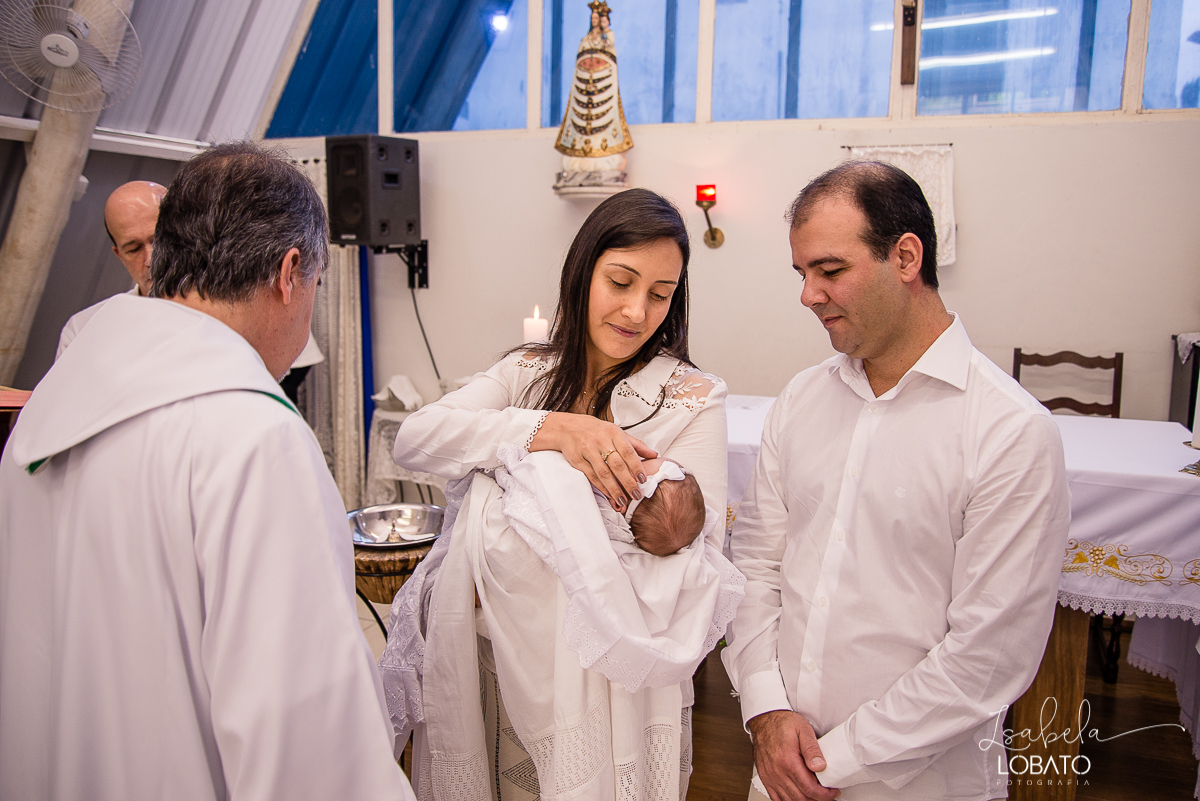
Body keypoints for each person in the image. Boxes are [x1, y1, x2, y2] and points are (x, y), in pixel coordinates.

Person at [0, 142, 415, 801]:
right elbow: (308, 751)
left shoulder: (56, 398)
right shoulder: (251, 437)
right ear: (289, 272)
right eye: (315, 284)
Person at [721, 161, 1072, 801]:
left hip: (917, 780)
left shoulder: (1009, 431)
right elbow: (756, 571)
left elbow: (986, 657)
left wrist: (837, 761)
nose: (808, 295)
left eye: (830, 271)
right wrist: (768, 712)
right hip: (780, 765)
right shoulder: (801, 400)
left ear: (905, 256)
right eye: (802, 274)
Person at [379, 188, 740, 801]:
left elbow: (693, 557)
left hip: (616, 678)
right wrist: (548, 428)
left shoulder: (692, 397)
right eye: (621, 281)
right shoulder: (527, 373)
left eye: (660, 293)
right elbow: (415, 438)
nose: (636, 310)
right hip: (498, 656)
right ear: (583, 273)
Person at [55, 180, 165, 357]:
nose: (150, 259)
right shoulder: (82, 329)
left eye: (159, 240)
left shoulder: (221, 316)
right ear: (119, 255)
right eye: (133, 249)